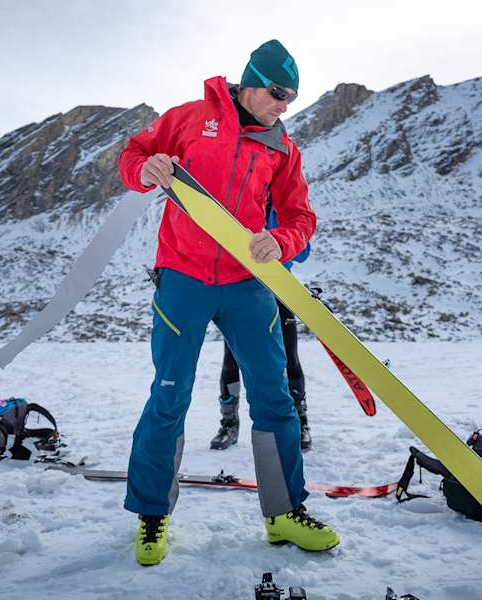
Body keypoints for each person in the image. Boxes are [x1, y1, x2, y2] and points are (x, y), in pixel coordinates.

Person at [117, 40, 339, 566]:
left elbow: (301, 218)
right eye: (279, 94)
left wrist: (280, 242)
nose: (284, 105)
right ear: (251, 82)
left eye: (291, 98)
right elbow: (133, 156)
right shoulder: (190, 118)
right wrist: (145, 171)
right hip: (183, 279)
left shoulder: (283, 147)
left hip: (248, 283)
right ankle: (152, 515)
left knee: (274, 397)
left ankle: (284, 512)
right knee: (169, 396)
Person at [211, 212, 312, 452]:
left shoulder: (282, 207)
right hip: (243, 290)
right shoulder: (239, 201)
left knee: (289, 357)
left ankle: (300, 422)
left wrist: (277, 242)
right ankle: (229, 423)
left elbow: (304, 251)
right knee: (232, 359)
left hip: (280, 287)